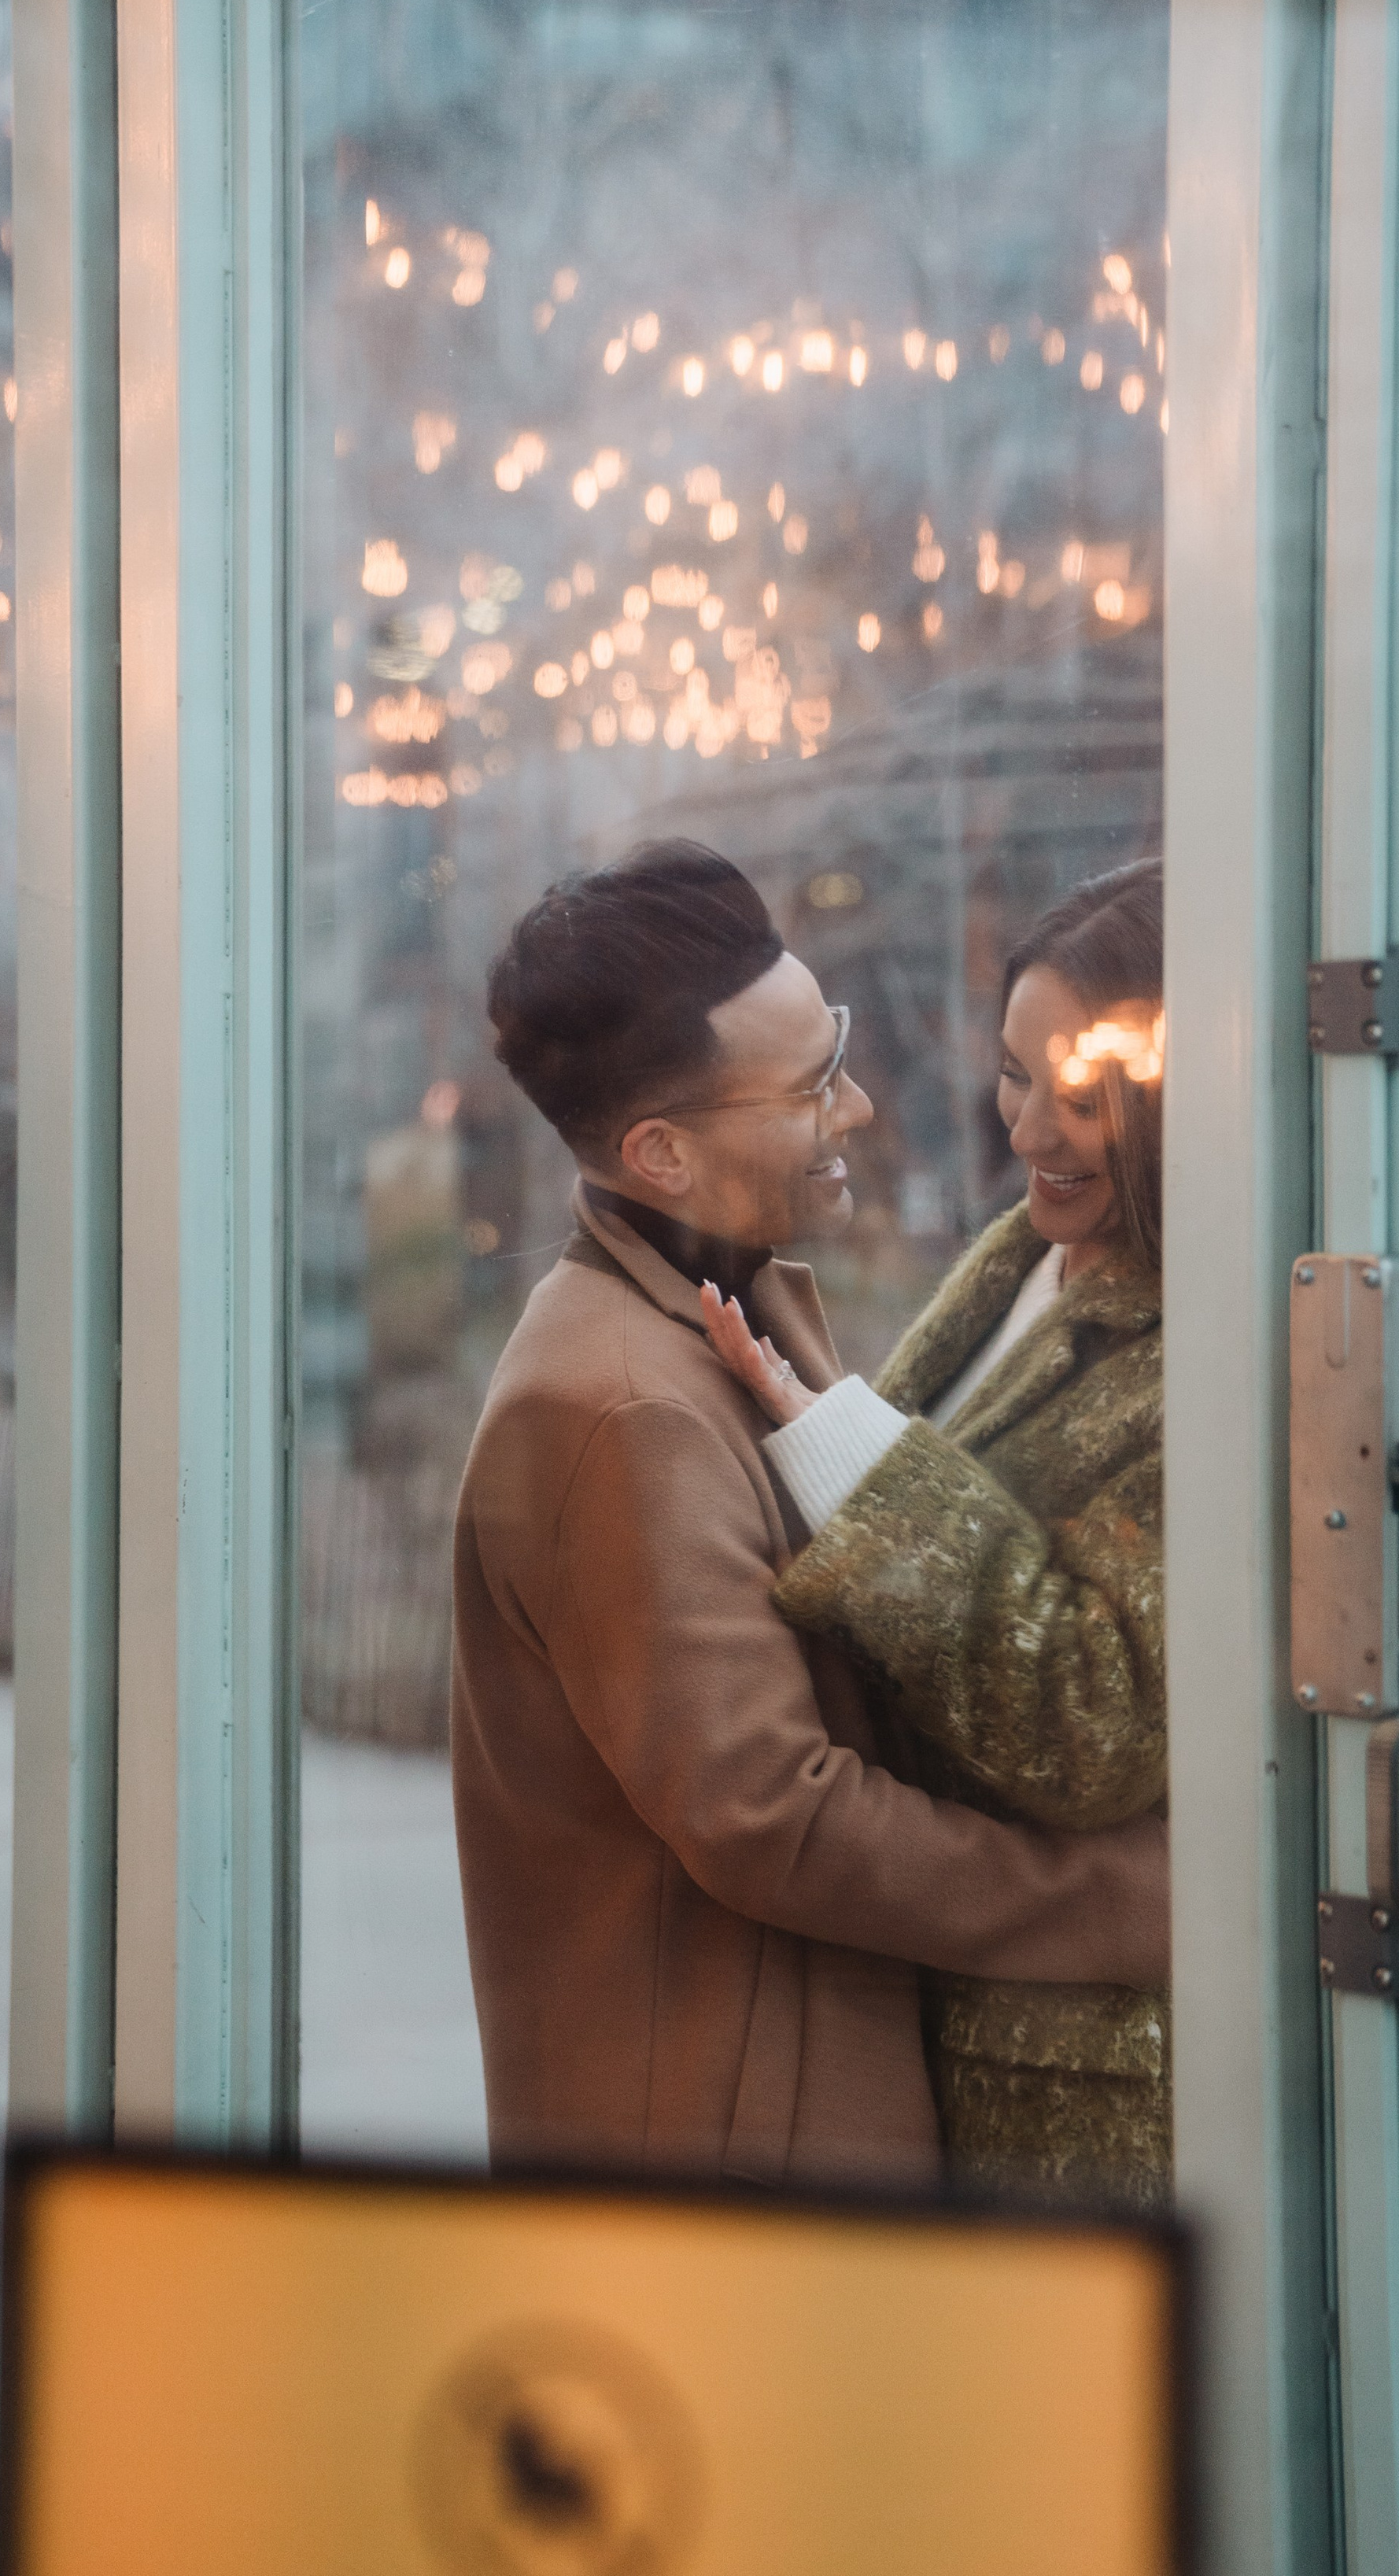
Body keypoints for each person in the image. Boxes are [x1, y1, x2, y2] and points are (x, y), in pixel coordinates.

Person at [450, 838, 1170, 2190]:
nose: (857, 1111)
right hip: (735, 2131)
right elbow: (779, 1819)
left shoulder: (726, 1317)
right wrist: (1133, 1903)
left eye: (833, 1050)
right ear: (661, 1152)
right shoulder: (623, 1409)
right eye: (810, 1087)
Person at [700, 858, 1169, 2207]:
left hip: (1080, 2088)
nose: (1026, 1130)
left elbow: (1098, 1715)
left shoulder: (1221, 1339)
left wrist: (854, 1455)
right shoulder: (1028, 1249)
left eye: (1081, 1095)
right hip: (939, 2027)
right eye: (1015, 1076)